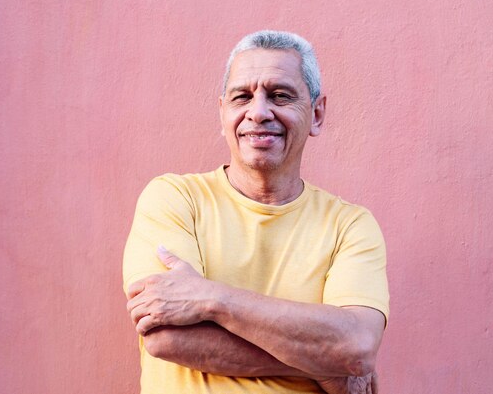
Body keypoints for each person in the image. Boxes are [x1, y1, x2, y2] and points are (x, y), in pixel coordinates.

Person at [123, 30, 389, 394]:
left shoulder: (350, 226)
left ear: (317, 113)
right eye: (242, 96)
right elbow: (166, 337)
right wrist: (324, 367)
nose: (259, 112)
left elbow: (356, 344)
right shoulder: (174, 198)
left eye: (280, 95)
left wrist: (210, 298)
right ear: (223, 114)